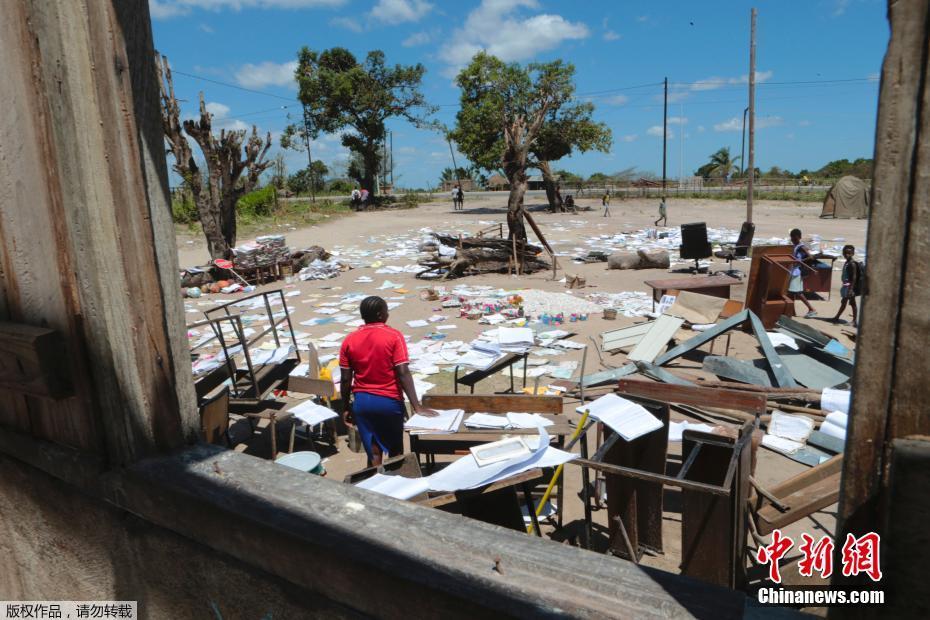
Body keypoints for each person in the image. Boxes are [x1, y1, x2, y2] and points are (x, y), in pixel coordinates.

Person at [340, 296, 436, 466]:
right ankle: (395, 487)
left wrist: (346, 406)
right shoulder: (394, 336)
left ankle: (375, 488)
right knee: (396, 452)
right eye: (386, 310)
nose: (388, 313)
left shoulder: (349, 340)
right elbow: (403, 372)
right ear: (379, 314)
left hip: (362, 403)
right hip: (388, 402)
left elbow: (346, 379)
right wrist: (416, 406)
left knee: (373, 454)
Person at [788, 228, 817, 318]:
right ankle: (792, 311)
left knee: (797, 292)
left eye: (795, 239)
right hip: (792, 271)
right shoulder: (794, 246)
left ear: (799, 238)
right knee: (791, 292)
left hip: (796, 272)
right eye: (792, 238)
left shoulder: (801, 246)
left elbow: (811, 257)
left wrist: (800, 261)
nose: (793, 240)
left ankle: (811, 309)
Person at [831, 245, 862, 327]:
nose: (846, 255)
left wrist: (851, 289)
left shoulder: (852, 264)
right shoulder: (847, 262)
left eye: (849, 253)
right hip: (846, 286)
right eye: (845, 253)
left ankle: (854, 321)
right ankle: (836, 317)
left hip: (849, 287)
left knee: (852, 303)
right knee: (844, 302)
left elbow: (854, 277)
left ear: (853, 253)